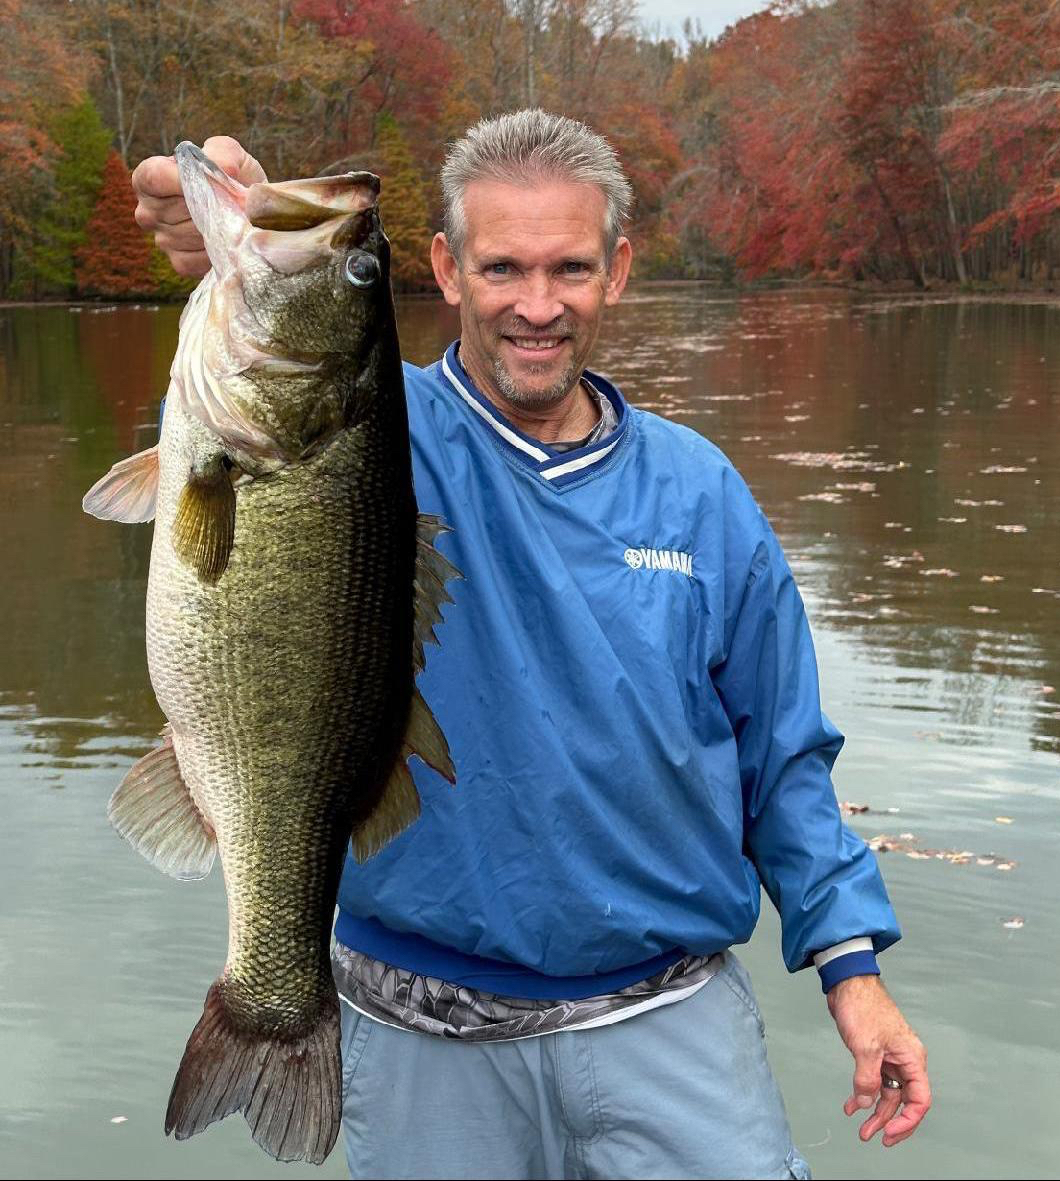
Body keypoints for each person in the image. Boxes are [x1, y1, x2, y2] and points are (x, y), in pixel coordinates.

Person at [134, 110, 931, 1180]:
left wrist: (852, 967)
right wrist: (218, 231)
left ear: (619, 271)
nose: (538, 305)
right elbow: (262, 423)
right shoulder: (371, 435)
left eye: (570, 267)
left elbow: (781, 758)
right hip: (416, 1037)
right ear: (447, 269)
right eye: (503, 265)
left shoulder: (703, 492)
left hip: (668, 1015)